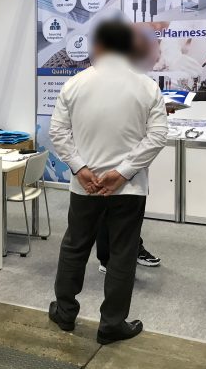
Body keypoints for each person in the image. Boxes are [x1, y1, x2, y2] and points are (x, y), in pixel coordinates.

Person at [48, 20, 168, 345]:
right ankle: (112, 324)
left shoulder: (74, 85)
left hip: (84, 186)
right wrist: (123, 171)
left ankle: (65, 312)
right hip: (128, 189)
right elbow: (158, 136)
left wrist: (79, 168)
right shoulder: (147, 87)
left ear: (98, 46)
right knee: (122, 253)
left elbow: (57, 132)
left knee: (75, 247)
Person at [97, 26, 163, 273]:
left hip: (130, 164)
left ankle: (129, 252)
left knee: (126, 219)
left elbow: (152, 132)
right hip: (102, 162)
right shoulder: (92, 82)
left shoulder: (142, 83)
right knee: (105, 215)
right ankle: (109, 261)